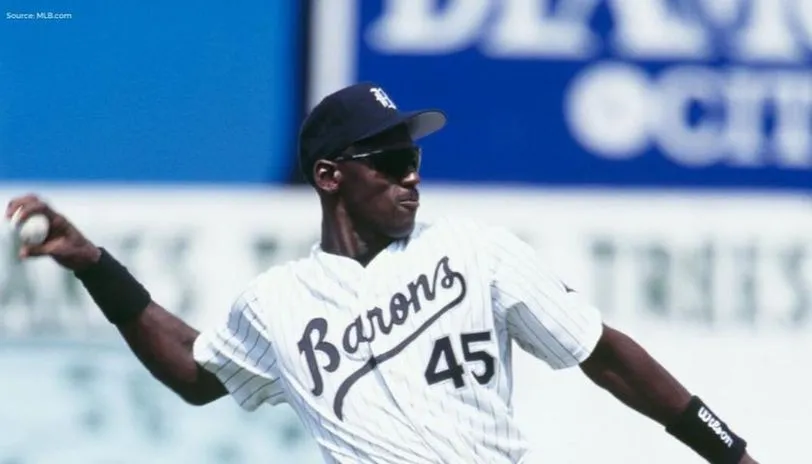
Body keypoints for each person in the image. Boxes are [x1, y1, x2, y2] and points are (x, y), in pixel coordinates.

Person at [6, 82, 757, 464]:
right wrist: (97, 267)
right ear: (330, 176)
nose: (411, 176)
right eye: (390, 160)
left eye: (415, 157)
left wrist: (730, 451)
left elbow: (602, 352)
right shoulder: (277, 304)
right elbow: (195, 373)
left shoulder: (473, 250)